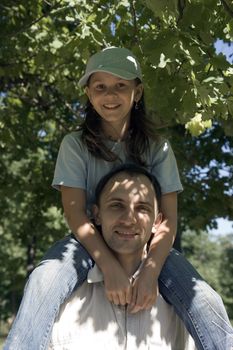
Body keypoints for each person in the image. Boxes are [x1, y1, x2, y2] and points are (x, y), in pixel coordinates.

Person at [4, 47, 233, 350]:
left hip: (148, 241)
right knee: (43, 279)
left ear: (137, 92)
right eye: (100, 87)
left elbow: (168, 220)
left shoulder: (158, 148)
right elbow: (75, 216)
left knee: (205, 299)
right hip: (85, 241)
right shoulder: (74, 145)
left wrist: (151, 270)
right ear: (88, 92)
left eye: (121, 86)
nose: (110, 95)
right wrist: (110, 268)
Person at [48, 163, 196, 349]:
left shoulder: (182, 306)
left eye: (142, 208)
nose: (128, 219)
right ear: (97, 215)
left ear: (156, 223)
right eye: (116, 205)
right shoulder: (61, 301)